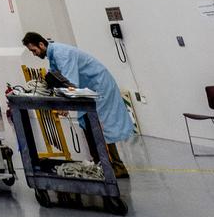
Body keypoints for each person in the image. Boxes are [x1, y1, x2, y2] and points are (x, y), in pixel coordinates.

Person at [23, 32, 134, 177]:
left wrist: (63, 106)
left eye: (34, 50)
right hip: (88, 89)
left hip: (99, 87)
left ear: (41, 44)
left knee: (99, 127)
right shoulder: (53, 54)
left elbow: (70, 82)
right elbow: (56, 76)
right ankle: (100, 164)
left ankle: (117, 167)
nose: (34, 54)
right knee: (89, 125)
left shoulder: (61, 53)